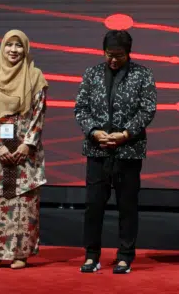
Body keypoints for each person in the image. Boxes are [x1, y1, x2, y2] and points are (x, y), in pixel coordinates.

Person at [74, 30, 157, 275]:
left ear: (128, 53)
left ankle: (125, 256)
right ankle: (91, 255)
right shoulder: (91, 74)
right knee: (93, 205)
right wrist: (93, 131)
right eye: (109, 55)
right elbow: (81, 108)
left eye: (118, 56)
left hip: (128, 151)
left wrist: (125, 134)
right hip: (97, 149)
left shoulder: (143, 74)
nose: (113, 60)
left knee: (127, 206)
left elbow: (147, 109)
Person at [0, 29, 48, 270]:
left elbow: (39, 114)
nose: (14, 50)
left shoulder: (36, 77)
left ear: (26, 49)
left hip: (25, 151)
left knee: (23, 204)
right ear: (2, 47)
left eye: (19, 46)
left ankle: (20, 254)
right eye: (9, 45)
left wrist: (27, 144)